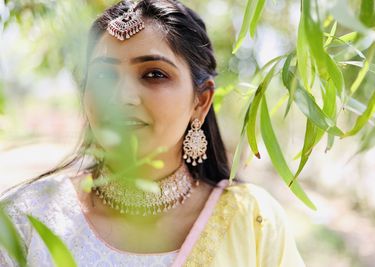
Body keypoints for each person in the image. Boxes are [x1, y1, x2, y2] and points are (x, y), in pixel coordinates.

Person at [0, 0, 306, 266]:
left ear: (200, 101)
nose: (122, 97)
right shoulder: (25, 217)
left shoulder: (252, 221)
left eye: (154, 74)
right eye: (104, 75)